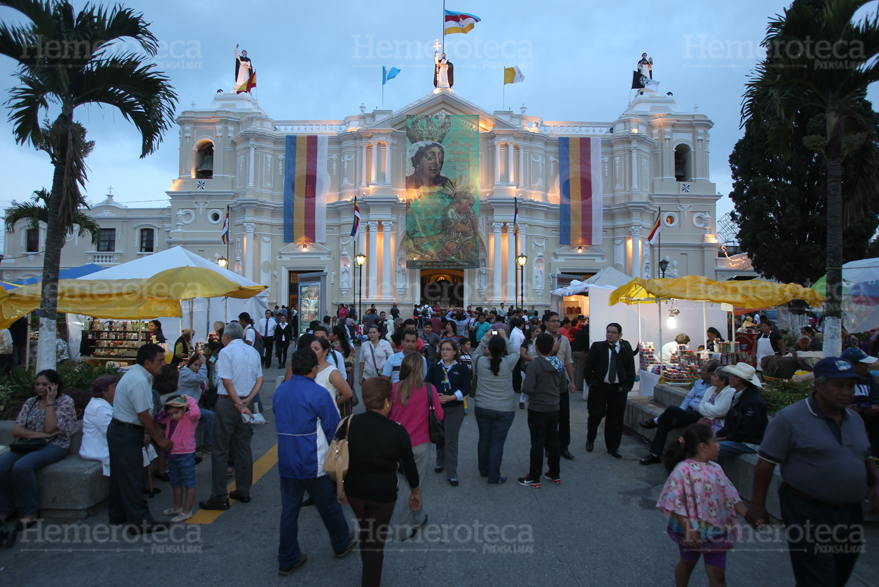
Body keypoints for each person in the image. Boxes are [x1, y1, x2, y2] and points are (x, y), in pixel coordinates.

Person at [746, 357, 879, 586]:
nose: (847, 392)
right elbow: (766, 462)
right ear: (818, 385)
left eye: (850, 386)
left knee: (839, 574)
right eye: (838, 385)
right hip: (807, 511)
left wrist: (876, 482)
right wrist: (757, 505)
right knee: (818, 579)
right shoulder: (789, 418)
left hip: (850, 513)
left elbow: (864, 454)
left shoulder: (854, 419)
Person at [274, 348, 358, 576]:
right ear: (315, 368)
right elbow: (334, 429)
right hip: (313, 461)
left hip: (287, 460)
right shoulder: (319, 393)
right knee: (328, 505)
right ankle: (341, 542)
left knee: (289, 511)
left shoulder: (281, 390)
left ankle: (287, 558)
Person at [344, 377, 420, 587]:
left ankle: (368, 566)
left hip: (354, 491)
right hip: (383, 495)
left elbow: (337, 458)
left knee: (367, 532)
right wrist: (415, 490)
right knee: (375, 543)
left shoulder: (348, 423)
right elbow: (409, 466)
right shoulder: (397, 430)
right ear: (387, 402)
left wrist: (338, 488)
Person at [656, 423, 749, 587]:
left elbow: (731, 495)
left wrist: (748, 514)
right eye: (715, 441)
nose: (719, 445)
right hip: (691, 532)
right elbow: (676, 502)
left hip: (716, 531)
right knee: (687, 564)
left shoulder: (717, 468)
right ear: (703, 447)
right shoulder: (682, 470)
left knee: (718, 574)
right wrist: (688, 530)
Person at [107, 344, 173, 533]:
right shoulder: (139, 380)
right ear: (147, 362)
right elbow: (144, 415)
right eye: (160, 360)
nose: (163, 364)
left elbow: (146, 415)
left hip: (122, 430)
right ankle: (141, 522)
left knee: (120, 477)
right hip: (125, 432)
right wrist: (160, 441)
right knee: (133, 478)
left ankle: (118, 514)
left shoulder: (139, 375)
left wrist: (157, 434)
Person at [0, 369, 76, 529]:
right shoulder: (31, 402)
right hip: (29, 443)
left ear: (54, 386)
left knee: (22, 467)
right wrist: (39, 435)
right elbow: (17, 430)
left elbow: (50, 428)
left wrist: (50, 402)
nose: (40, 387)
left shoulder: (65, 401)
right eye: (37, 384)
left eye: (44, 384)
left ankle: (31, 512)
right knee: (1, 465)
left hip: (56, 445)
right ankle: (7, 508)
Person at [199, 322, 263, 511]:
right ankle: (243, 490)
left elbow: (227, 382)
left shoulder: (226, 352)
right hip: (246, 401)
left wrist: (237, 403)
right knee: (243, 447)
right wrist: (246, 401)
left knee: (220, 449)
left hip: (229, 402)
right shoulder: (253, 351)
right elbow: (259, 379)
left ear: (226, 336)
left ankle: (219, 496)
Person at [388, 353, 443, 540]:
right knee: (414, 484)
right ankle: (403, 528)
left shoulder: (394, 388)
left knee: (407, 482)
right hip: (420, 443)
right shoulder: (429, 390)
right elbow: (440, 416)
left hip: (396, 444)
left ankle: (418, 515)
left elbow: (388, 416)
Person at [80, 375, 159, 488]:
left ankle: (140, 486)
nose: (118, 388)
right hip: (99, 447)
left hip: (109, 441)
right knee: (135, 452)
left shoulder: (105, 404)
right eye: (114, 386)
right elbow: (112, 432)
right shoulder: (99, 409)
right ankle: (134, 488)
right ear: (105, 392)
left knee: (141, 450)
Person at [639, 361, 720, 465]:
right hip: (687, 412)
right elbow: (688, 398)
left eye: (704, 370)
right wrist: (680, 413)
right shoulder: (698, 383)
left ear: (710, 374)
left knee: (671, 409)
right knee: (665, 423)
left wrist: (678, 413)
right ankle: (654, 455)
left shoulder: (715, 389)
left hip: (698, 416)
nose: (701, 371)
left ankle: (655, 421)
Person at [518, 333, 569, 488]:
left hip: (537, 407)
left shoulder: (535, 365)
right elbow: (563, 387)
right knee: (553, 440)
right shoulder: (558, 364)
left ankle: (534, 476)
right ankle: (554, 472)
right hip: (554, 407)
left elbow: (527, 388)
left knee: (537, 442)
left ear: (536, 347)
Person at [582, 322, 636, 459]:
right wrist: (591, 383)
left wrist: (627, 386)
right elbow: (588, 367)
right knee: (595, 415)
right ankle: (590, 439)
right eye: (608, 332)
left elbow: (630, 368)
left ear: (620, 335)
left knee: (615, 419)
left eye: (613, 332)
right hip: (600, 388)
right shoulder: (598, 347)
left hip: (618, 390)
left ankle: (613, 447)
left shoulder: (625, 348)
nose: (610, 335)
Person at [473, 331, 520, 485]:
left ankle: (483, 470)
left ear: (489, 348)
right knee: (497, 442)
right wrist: (505, 338)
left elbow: (478, 351)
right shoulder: (508, 362)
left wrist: (486, 338)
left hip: (482, 406)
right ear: (502, 350)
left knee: (484, 439)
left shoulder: (479, 361)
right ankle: (494, 475)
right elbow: (515, 352)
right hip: (504, 408)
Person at [426, 340, 471, 487]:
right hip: (437, 408)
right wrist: (434, 396)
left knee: (451, 439)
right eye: (442, 349)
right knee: (439, 436)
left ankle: (452, 472)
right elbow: (427, 384)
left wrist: (452, 397)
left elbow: (466, 387)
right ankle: (440, 462)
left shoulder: (462, 367)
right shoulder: (435, 367)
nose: (444, 352)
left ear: (455, 351)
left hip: (454, 408)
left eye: (448, 349)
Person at [156, 395, 200, 522]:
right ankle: (177, 507)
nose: (173, 416)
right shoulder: (169, 419)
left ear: (184, 409)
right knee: (175, 481)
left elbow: (196, 412)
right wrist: (165, 411)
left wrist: (189, 400)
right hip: (173, 454)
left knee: (189, 482)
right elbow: (159, 418)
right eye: (170, 413)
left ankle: (187, 511)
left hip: (186, 454)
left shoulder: (190, 418)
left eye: (176, 412)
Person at [715, 363, 768, 458]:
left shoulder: (753, 402)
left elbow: (748, 432)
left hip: (750, 443)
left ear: (738, 379)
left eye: (732, 375)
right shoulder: (739, 397)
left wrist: (724, 438)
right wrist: (716, 436)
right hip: (738, 439)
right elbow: (730, 423)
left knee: (709, 449)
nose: (729, 378)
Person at [543, 312, 576, 460]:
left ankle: (564, 447)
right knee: (549, 418)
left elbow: (568, 360)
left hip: (561, 382)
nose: (556, 324)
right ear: (546, 323)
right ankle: (549, 447)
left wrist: (572, 381)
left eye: (558, 321)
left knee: (564, 416)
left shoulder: (564, 340)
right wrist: (552, 350)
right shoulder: (540, 339)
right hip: (545, 383)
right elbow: (537, 359)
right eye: (553, 321)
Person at [841, 347, 879, 458]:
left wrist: (876, 406)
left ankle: (875, 455)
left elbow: (876, 396)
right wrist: (846, 408)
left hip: (866, 414)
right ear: (852, 365)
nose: (867, 366)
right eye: (864, 364)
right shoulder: (840, 379)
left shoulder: (868, 378)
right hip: (844, 415)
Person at [177, 353, 212, 453]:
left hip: (197, 405)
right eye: (195, 365)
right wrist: (204, 365)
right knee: (210, 415)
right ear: (190, 364)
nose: (197, 368)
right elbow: (199, 379)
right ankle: (207, 444)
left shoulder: (199, 374)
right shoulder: (185, 373)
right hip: (186, 406)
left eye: (199, 366)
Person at [311, 337, 354, 416]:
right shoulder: (308, 369)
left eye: (316, 349)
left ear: (325, 351)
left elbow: (348, 393)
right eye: (311, 348)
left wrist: (332, 405)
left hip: (326, 416)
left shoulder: (332, 371)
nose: (312, 351)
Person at [571, 321, 590, 394]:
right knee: (580, 370)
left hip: (574, 351)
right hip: (581, 352)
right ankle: (579, 386)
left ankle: (574, 383)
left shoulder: (579, 332)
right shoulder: (586, 334)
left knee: (576, 368)